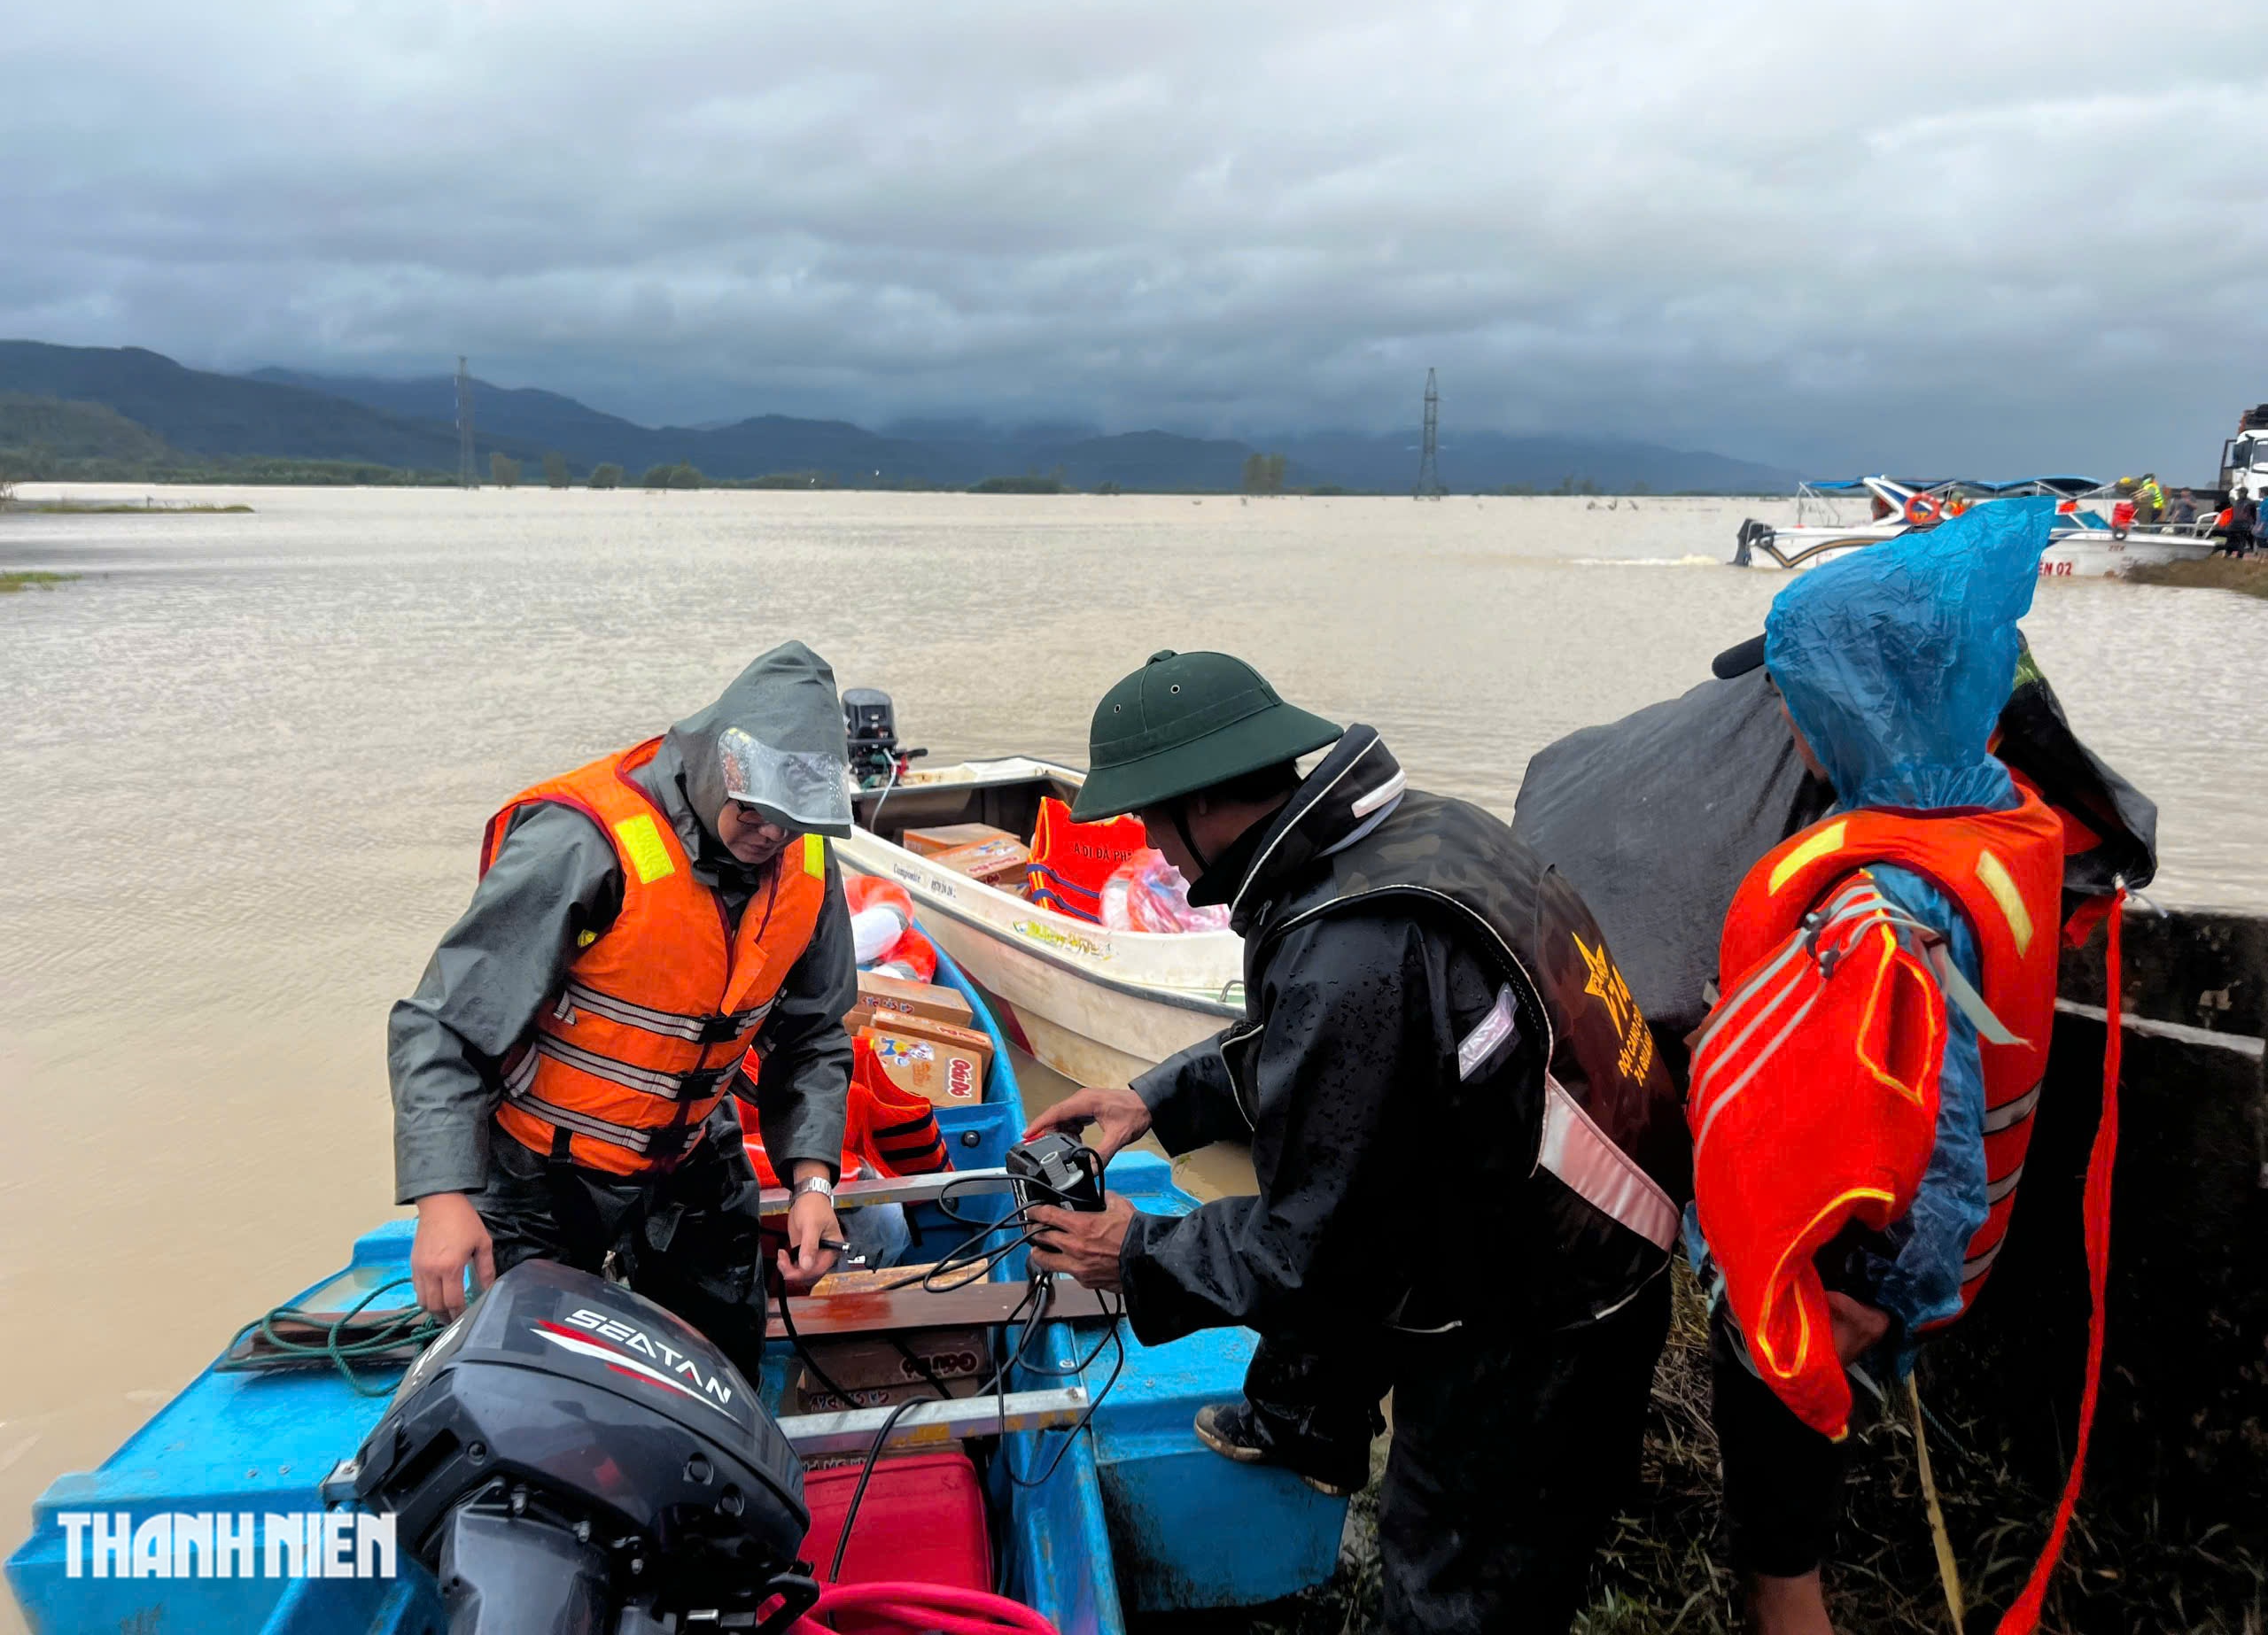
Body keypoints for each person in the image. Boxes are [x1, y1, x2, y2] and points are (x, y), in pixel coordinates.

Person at [1019, 650, 1690, 1633]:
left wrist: (1137, 1253)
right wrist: (1153, 1100)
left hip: (1543, 1320)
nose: (1152, 850)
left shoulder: (1352, 952)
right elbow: (1339, 1062)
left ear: (1204, 805)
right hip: (1564, 1233)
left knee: (1454, 1577)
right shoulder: (1418, 834)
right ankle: (1313, 1432)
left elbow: (1318, 1252)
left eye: (1151, 821)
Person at [1682, 503, 2073, 1634]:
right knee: (1795, 1496)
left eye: (1802, 696)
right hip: (1917, 1260)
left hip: (1843, 1277)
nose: (1790, 718)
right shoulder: (1994, 815)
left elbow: (1933, 1134)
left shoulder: (1880, 909)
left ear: (1855, 705)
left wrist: (1873, 1300)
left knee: (1781, 1537)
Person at [389, 641, 858, 1377]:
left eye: (792, 820)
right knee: (526, 1396)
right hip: (539, 1177)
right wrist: (441, 1199)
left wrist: (812, 1185)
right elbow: (443, 1024)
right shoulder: (582, 842)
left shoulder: (804, 863)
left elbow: (813, 1038)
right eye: (756, 809)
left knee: (721, 1367)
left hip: (690, 1164)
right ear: (712, 761)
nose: (769, 833)